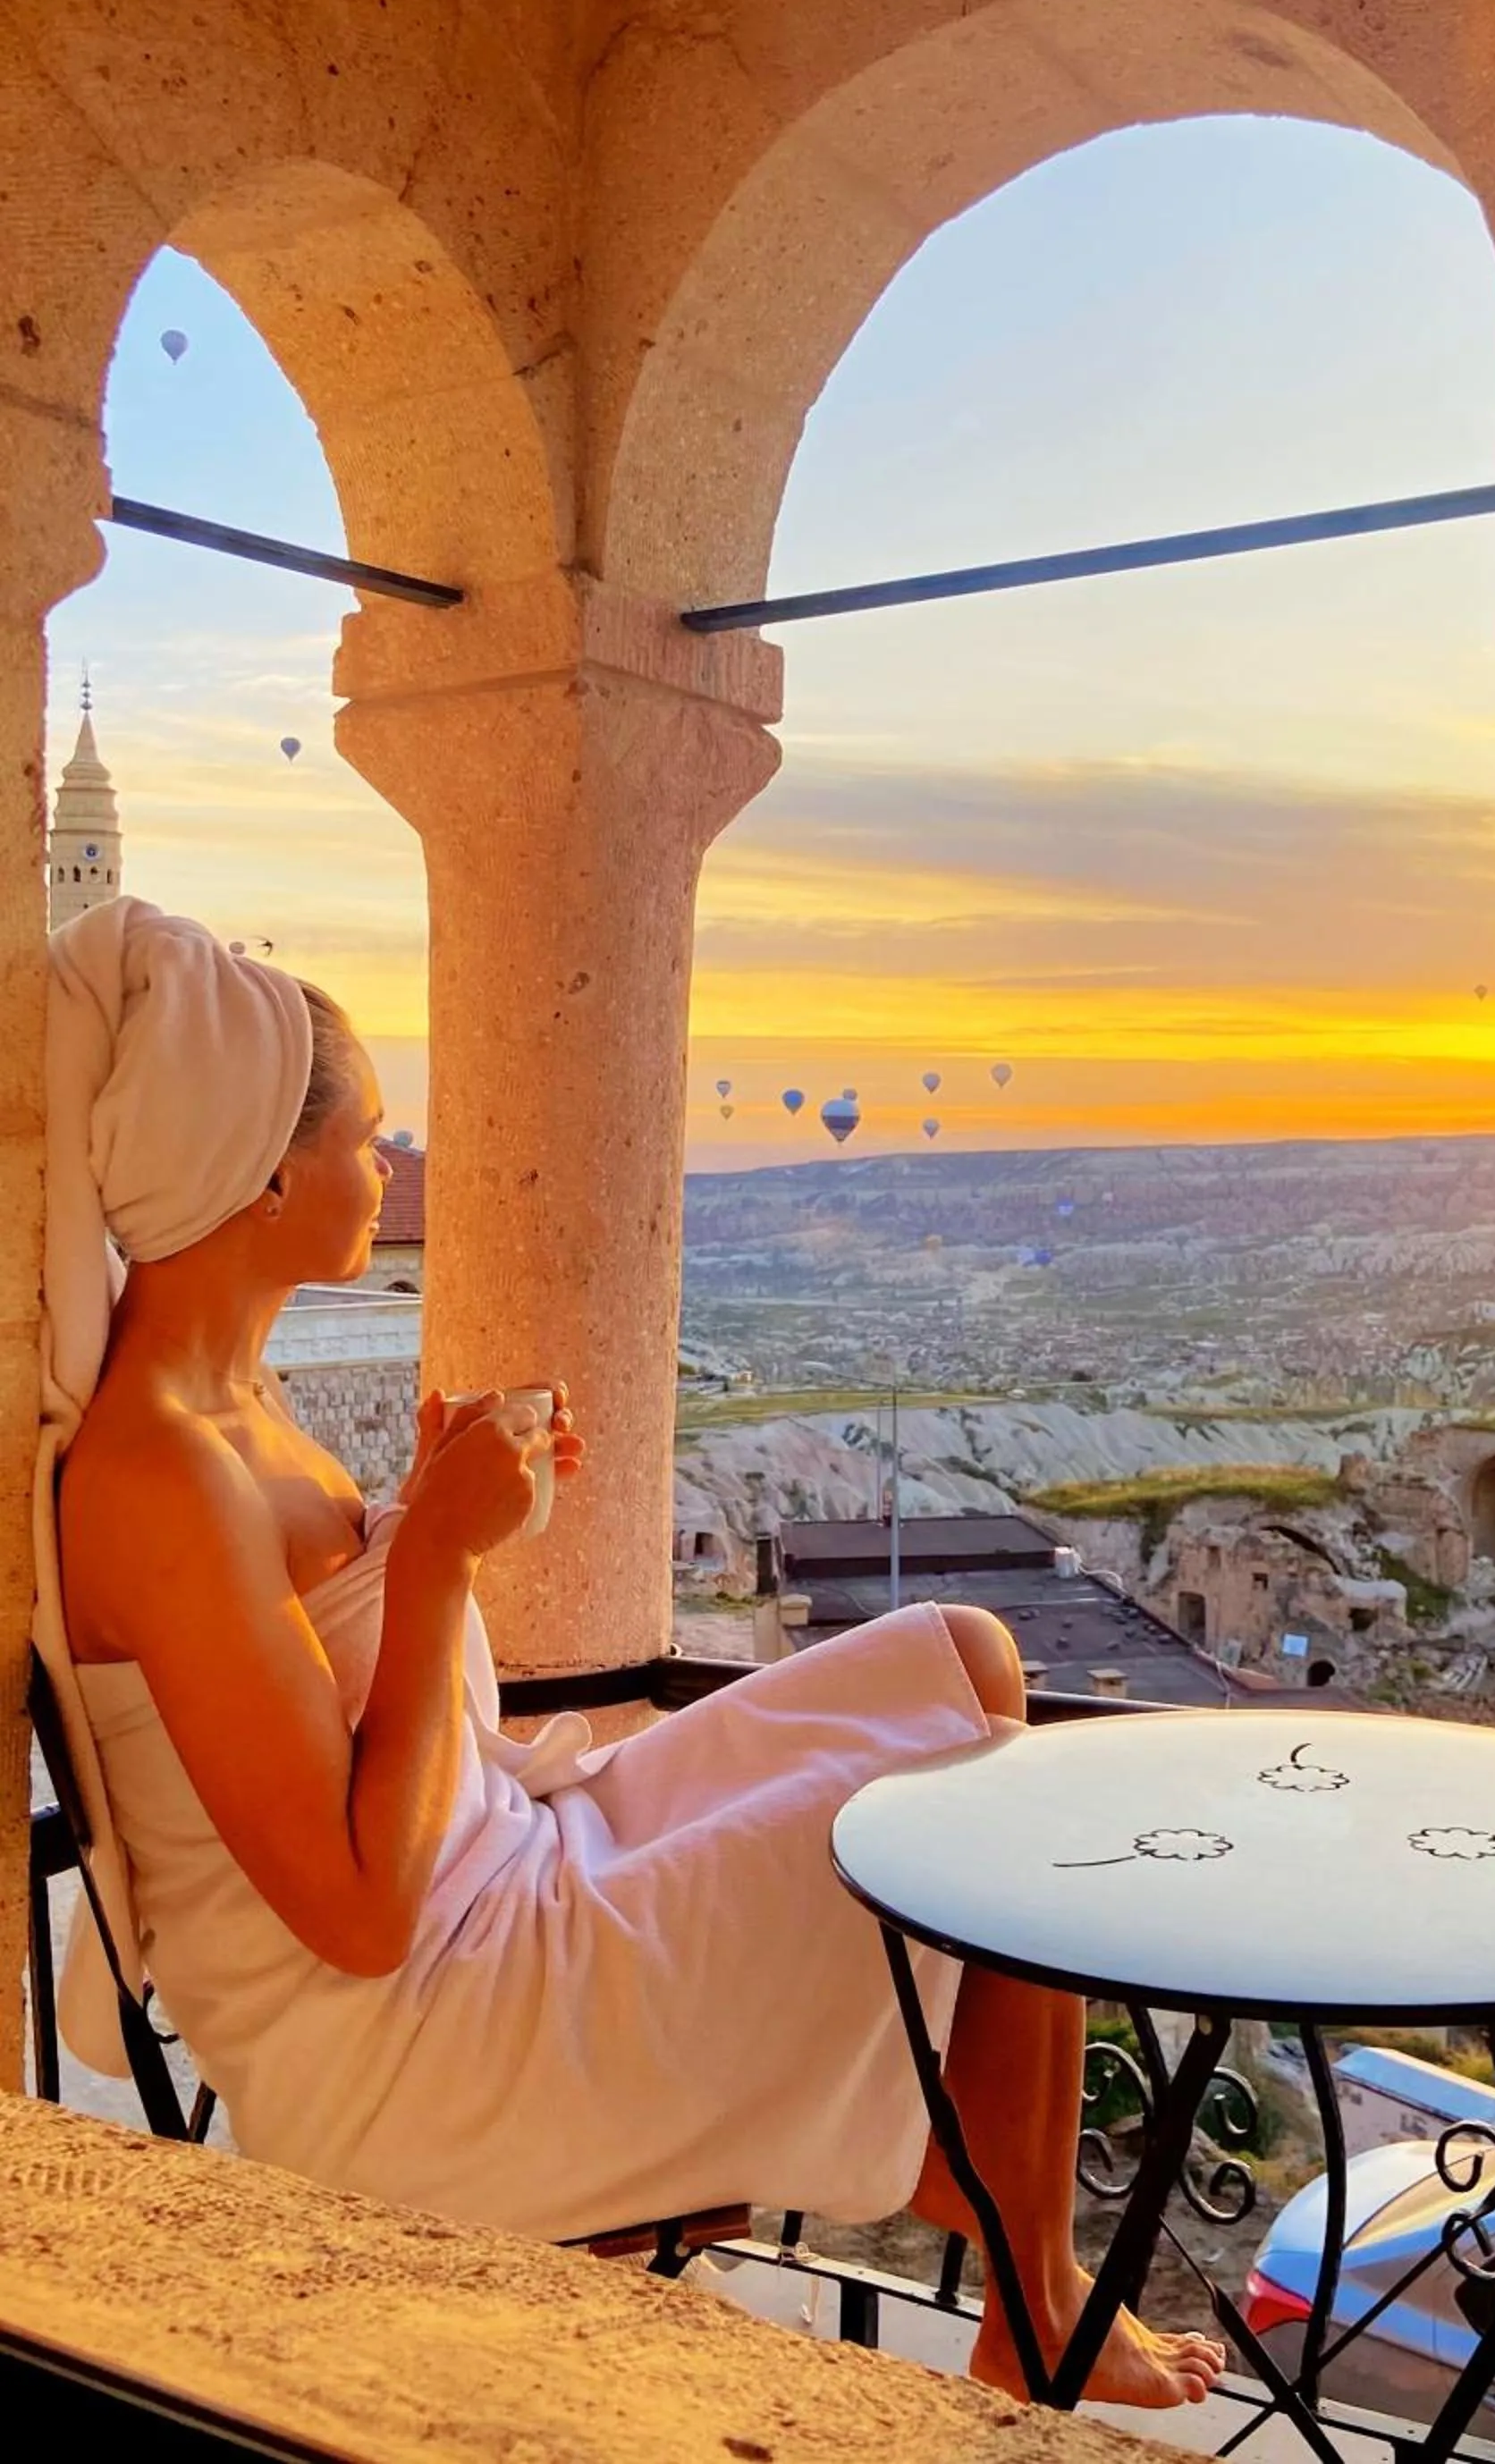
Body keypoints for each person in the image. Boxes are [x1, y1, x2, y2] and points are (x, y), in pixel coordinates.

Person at [41, 899, 1222, 2407]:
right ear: (265, 1167)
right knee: (1008, 1807)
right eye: (368, 1139)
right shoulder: (159, 1474)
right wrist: (437, 1559)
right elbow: (354, 1919)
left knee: (965, 1658)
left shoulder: (233, 1412)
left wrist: (431, 1522)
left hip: (501, 1872)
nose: (389, 1170)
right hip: (429, 2039)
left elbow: (329, 1704)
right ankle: (1030, 2284)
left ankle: (1003, 2237)